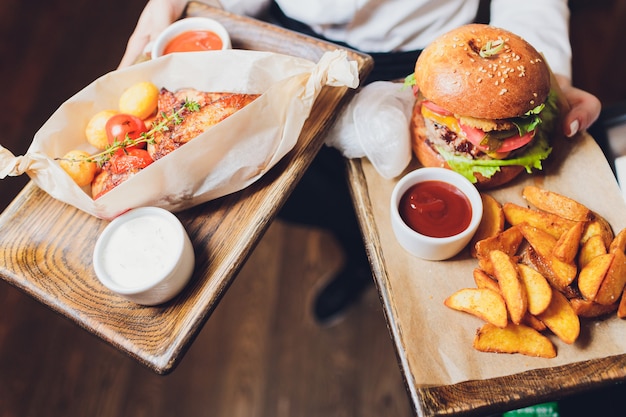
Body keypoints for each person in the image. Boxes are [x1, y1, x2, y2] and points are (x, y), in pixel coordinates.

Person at [119, 0, 602, 324]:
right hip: (296, 46)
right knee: (311, 193)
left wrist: (546, 65)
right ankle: (357, 259)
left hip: (446, 55)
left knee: (406, 213)